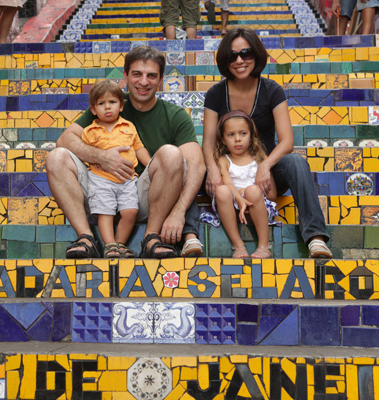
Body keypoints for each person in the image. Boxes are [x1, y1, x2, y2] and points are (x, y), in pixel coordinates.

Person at [46, 45, 205, 259]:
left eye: (151, 76)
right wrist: (102, 157)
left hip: (145, 194)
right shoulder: (109, 106)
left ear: (160, 80)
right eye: (137, 74)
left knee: (171, 153)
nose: (143, 82)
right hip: (101, 187)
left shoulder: (175, 116)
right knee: (57, 156)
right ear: (126, 76)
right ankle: (86, 238)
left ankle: (151, 237)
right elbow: (64, 139)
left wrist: (179, 211)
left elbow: (197, 165)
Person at [202, 28, 333, 258]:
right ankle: (190, 235)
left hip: (266, 173)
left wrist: (265, 165)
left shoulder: (272, 90)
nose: (240, 60)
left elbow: (287, 142)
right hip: (228, 172)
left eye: (246, 53)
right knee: (193, 163)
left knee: (295, 162)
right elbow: (208, 142)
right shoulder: (215, 93)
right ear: (224, 59)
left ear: (257, 55)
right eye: (233, 56)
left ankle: (315, 238)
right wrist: (213, 169)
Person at [81, 80, 151, 258]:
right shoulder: (89, 131)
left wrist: (152, 166)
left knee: (130, 211)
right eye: (101, 103)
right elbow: (84, 153)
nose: (107, 107)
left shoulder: (128, 127)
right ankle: (109, 244)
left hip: (128, 180)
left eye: (112, 102)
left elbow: (139, 149)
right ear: (94, 110)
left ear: (121, 106)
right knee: (106, 212)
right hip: (101, 179)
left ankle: (119, 245)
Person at [214, 111, 278, 259]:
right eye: (231, 135)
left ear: (251, 136)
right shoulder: (223, 160)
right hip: (231, 209)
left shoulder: (260, 159)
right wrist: (239, 198)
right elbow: (228, 183)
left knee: (252, 191)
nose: (237, 139)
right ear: (223, 140)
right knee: (222, 190)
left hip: (257, 207)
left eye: (243, 133)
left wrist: (249, 195)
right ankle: (238, 244)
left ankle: (264, 245)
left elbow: (273, 194)